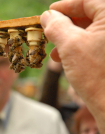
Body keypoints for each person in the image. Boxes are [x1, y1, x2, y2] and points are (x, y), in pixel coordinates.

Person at [40, 0, 105, 133]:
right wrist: (54, 70)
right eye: (86, 130)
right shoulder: (67, 113)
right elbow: (47, 102)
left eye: (97, 131)